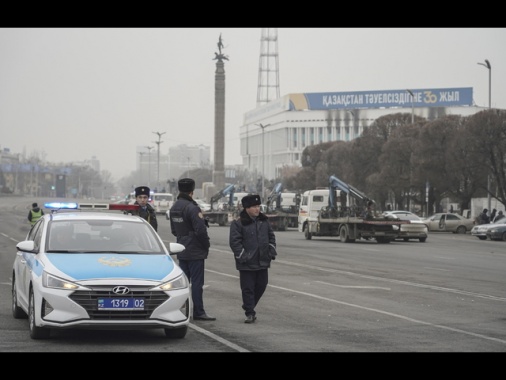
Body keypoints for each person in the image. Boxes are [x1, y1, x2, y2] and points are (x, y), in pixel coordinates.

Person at [169, 178, 215, 321]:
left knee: (182, 283)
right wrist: (206, 245)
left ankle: (176, 309)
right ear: (192, 191)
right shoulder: (192, 207)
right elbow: (200, 230)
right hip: (195, 250)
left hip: (181, 248)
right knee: (197, 283)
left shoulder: (174, 207)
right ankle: (199, 311)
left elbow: (174, 230)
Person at [229, 194, 277, 324]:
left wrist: (271, 251)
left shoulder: (264, 221)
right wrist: (243, 256)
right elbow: (235, 242)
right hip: (246, 263)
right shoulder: (238, 223)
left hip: (262, 261)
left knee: (262, 285)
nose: (257, 209)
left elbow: (271, 237)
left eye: (258, 206)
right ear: (246, 208)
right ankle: (250, 313)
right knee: (248, 288)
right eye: (254, 207)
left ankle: (248, 304)